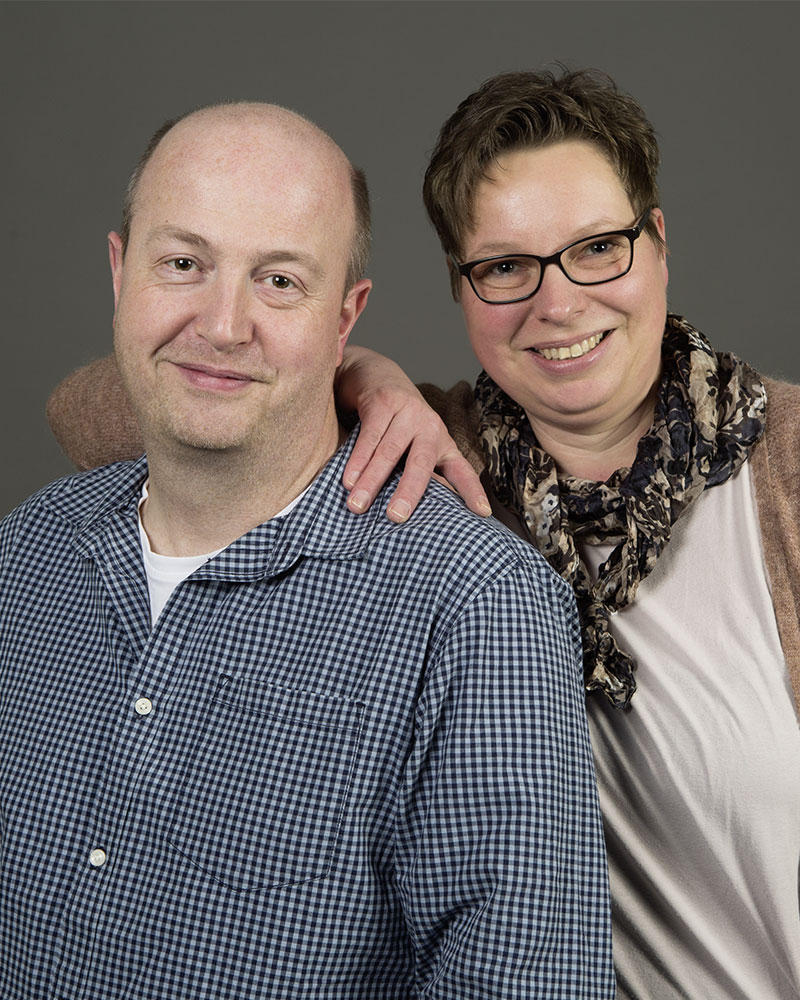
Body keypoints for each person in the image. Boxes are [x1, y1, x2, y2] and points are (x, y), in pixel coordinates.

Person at [47, 71, 800, 999]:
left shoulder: (785, 471)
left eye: (598, 248)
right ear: (461, 288)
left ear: (658, 246)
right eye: (505, 267)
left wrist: (333, 361)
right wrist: (335, 364)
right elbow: (118, 409)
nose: (558, 304)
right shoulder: (437, 461)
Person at [1, 101, 615, 998]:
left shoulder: (474, 607)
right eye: (182, 263)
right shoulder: (29, 549)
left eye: (280, 281)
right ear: (119, 270)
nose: (222, 323)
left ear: (345, 319)